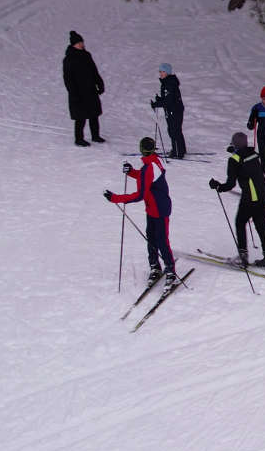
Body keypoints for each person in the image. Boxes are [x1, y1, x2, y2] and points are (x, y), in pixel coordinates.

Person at [106, 137, 174, 278]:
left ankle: (171, 272)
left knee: (162, 241)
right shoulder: (157, 160)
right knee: (151, 238)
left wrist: (115, 198)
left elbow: (139, 195)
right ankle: (155, 266)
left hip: (159, 210)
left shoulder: (148, 168)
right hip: (153, 208)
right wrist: (131, 172)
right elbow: (146, 178)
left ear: (141, 150)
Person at [209, 131, 265, 269]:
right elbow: (255, 164)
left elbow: (230, 184)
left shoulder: (234, 160)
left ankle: (242, 256)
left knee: (240, 222)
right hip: (264, 192)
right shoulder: (254, 154)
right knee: (261, 224)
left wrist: (218, 186)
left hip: (251, 196)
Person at [63, 31, 106, 146]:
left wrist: (100, 84)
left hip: (90, 90)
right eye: (78, 43)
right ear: (73, 45)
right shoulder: (69, 59)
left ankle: (95, 135)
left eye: (81, 42)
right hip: (78, 92)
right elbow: (68, 78)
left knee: (94, 114)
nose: (81, 44)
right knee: (80, 117)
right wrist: (73, 93)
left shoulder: (87, 55)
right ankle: (79, 139)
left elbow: (94, 71)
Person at [150, 63, 187, 160]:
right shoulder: (168, 82)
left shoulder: (168, 85)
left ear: (168, 73)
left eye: (164, 72)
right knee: (176, 130)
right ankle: (180, 149)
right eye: (160, 71)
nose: (161, 73)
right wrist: (160, 99)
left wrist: (156, 104)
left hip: (174, 111)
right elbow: (168, 98)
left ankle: (177, 152)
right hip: (175, 109)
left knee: (173, 131)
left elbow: (168, 101)